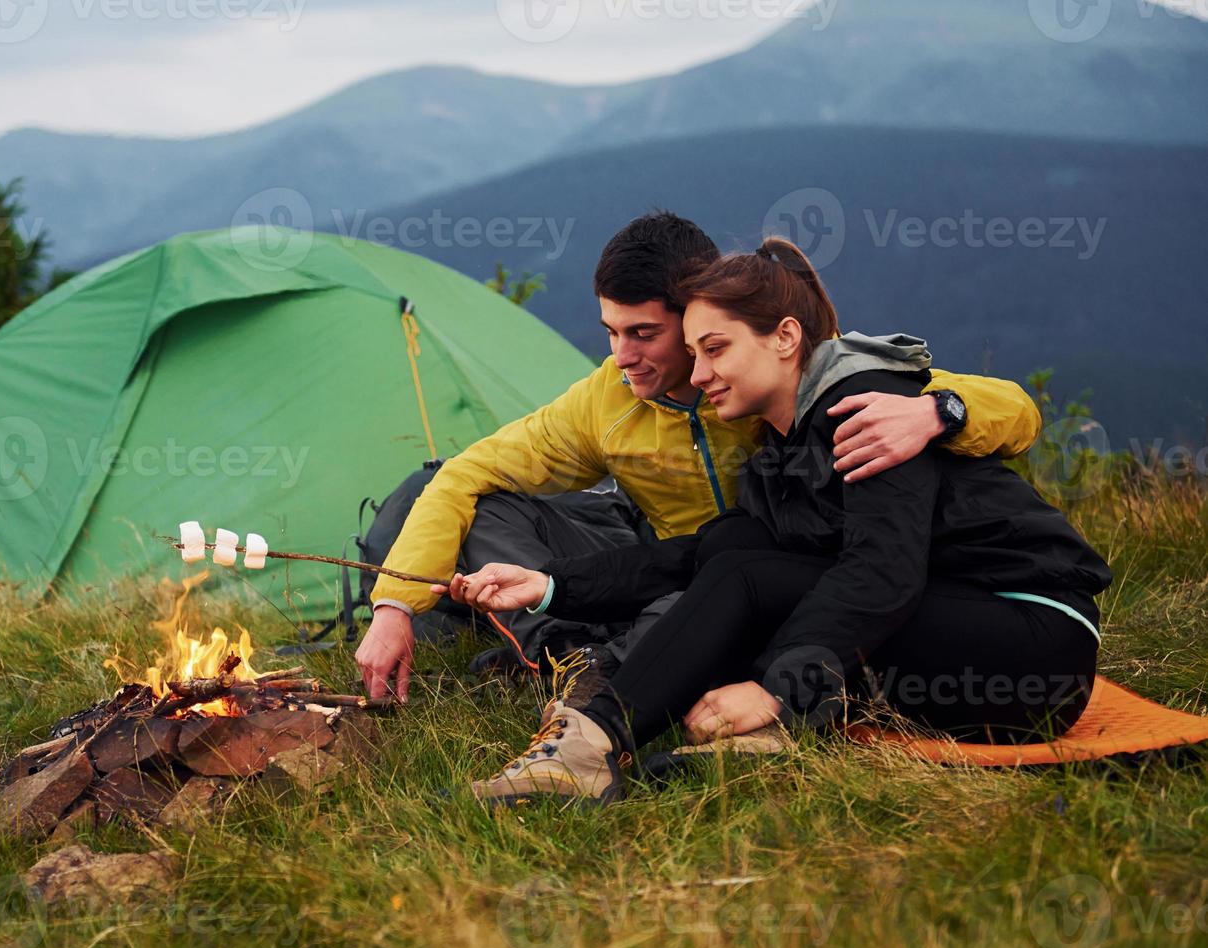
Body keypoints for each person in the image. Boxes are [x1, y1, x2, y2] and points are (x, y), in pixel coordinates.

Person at [445, 239, 1111, 805]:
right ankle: (639, 744)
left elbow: (885, 573)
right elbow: (700, 556)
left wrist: (772, 688)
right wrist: (549, 584)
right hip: (952, 637)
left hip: (1034, 646)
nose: (700, 374)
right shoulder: (782, 450)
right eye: (695, 354)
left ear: (785, 337)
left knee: (752, 577)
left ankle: (602, 746)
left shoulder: (865, 409)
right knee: (737, 554)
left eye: (715, 350)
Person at [357, 212, 1045, 702]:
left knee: (706, 607)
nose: (622, 356)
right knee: (476, 498)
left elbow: (1016, 409)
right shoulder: (606, 399)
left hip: (744, 580)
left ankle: (610, 662)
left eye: (644, 333)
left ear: (698, 319)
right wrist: (393, 606)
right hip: (657, 556)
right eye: (611, 332)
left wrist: (936, 412)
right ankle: (563, 655)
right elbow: (471, 470)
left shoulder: (775, 376)